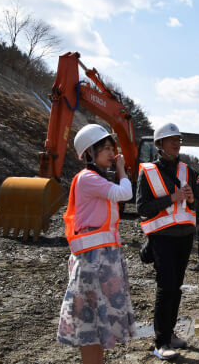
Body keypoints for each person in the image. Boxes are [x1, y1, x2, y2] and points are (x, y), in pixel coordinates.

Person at [57, 124, 135, 364]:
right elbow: (125, 193)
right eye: (105, 148)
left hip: (102, 258)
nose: (112, 154)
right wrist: (122, 169)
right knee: (90, 323)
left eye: (112, 148)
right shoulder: (88, 178)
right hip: (93, 261)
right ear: (89, 152)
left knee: (98, 323)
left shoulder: (95, 179)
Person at [135, 122, 197, 360]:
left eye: (178, 139)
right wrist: (171, 198)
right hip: (161, 239)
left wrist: (190, 199)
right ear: (159, 144)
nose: (176, 143)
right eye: (172, 139)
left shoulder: (188, 171)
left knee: (176, 287)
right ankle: (160, 342)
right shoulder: (148, 171)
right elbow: (142, 207)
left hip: (184, 237)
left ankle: (169, 334)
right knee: (166, 287)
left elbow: (195, 204)